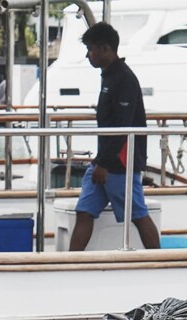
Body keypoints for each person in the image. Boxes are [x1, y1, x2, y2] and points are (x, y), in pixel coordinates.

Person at [69, 22, 160, 251]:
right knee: (84, 212)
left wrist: (105, 165)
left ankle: (160, 260)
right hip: (104, 162)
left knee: (138, 214)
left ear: (106, 49)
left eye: (91, 49)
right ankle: (69, 264)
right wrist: (100, 163)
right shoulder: (109, 77)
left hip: (119, 164)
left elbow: (122, 126)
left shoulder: (124, 79)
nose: (88, 55)